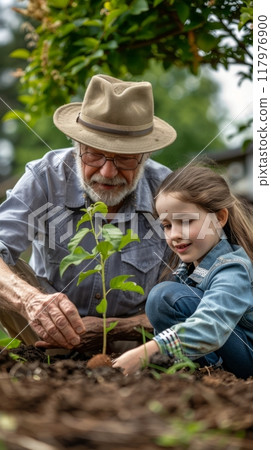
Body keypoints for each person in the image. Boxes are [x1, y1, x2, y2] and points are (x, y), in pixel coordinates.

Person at [0, 74, 177, 349]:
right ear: (76, 147)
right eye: (94, 154)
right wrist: (30, 300)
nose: (107, 172)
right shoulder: (45, 177)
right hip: (43, 334)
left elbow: (190, 299)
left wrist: (114, 329)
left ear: (145, 156)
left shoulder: (168, 193)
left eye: (125, 158)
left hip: (132, 345)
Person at [113, 165, 253, 379]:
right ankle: (185, 368)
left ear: (220, 218)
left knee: (165, 296)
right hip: (227, 351)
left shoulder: (232, 268)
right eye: (167, 225)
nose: (174, 234)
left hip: (251, 358)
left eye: (185, 222)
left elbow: (211, 326)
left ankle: (182, 364)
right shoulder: (187, 270)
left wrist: (147, 352)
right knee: (163, 297)